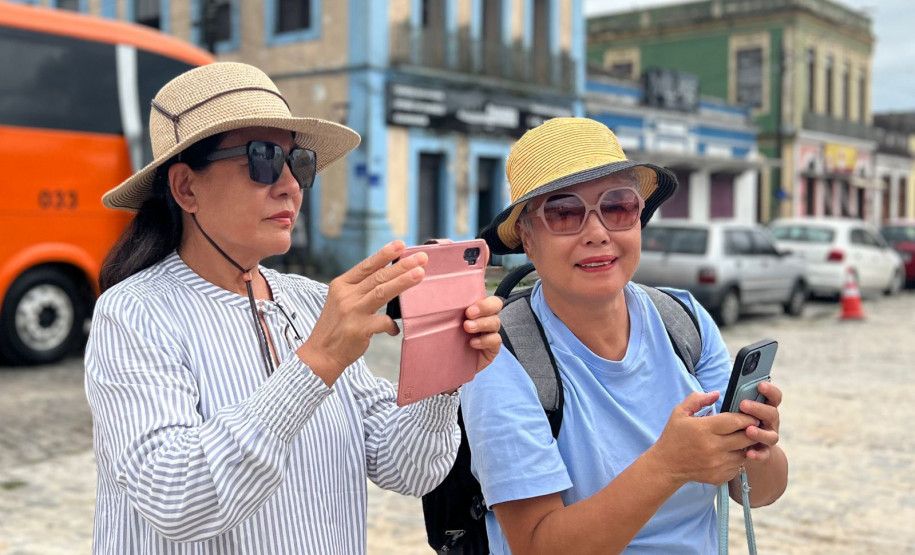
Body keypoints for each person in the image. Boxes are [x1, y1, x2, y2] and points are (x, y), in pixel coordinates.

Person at [84, 62, 503, 554]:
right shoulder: (132, 313)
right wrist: (318, 361)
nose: (290, 185)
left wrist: (443, 367)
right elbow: (177, 498)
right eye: (262, 159)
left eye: (298, 162)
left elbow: (407, 467)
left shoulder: (307, 300)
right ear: (186, 188)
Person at [462, 117, 788, 554]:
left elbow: (760, 492)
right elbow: (537, 544)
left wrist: (756, 447)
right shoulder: (497, 355)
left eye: (617, 207)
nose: (597, 233)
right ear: (527, 237)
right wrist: (666, 466)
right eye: (564, 212)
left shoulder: (684, 321)